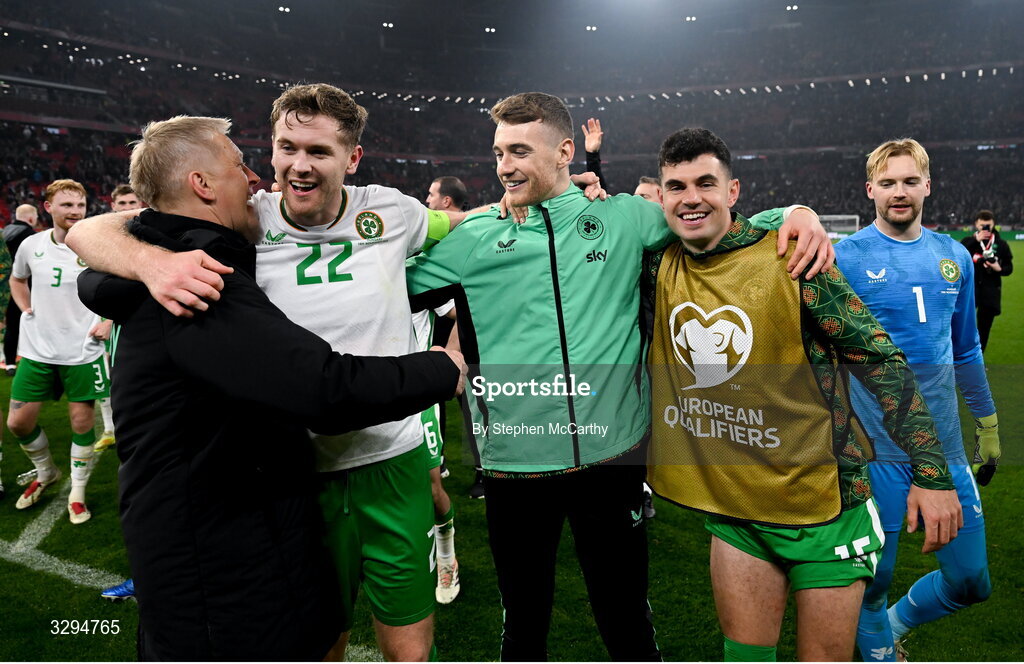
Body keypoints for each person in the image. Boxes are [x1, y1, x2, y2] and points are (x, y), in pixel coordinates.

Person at [405, 92, 833, 661]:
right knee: (523, 627)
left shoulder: (624, 218)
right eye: (498, 152)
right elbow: (384, 288)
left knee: (626, 618)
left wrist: (794, 213)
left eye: (518, 150)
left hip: (612, 461)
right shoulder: (476, 239)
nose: (504, 165)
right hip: (515, 465)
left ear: (563, 151)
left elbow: (708, 219)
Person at [67, 83, 472, 662]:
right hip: (302, 471)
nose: (294, 166)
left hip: (393, 457)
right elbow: (92, 231)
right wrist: (151, 261)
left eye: (317, 151)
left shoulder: (389, 209)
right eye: (285, 148)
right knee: (316, 640)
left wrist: (536, 197)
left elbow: (465, 227)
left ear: (352, 159)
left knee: (408, 649)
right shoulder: (247, 223)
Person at [645, 128, 961, 662]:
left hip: (824, 505)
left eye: (706, 183)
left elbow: (881, 362)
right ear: (661, 195)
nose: (691, 198)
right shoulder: (658, 264)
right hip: (737, 510)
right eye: (676, 187)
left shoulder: (793, 258)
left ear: (734, 190)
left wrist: (931, 475)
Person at [835, 139, 1000, 661]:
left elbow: (966, 347)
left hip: (946, 451)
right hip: (876, 454)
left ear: (927, 185)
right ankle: (881, 652)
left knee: (972, 580)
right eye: (887, 183)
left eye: (909, 181)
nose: (899, 192)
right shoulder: (844, 258)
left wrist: (988, 420)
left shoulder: (954, 257)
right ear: (870, 190)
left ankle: (893, 625)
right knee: (871, 582)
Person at [7, 180, 110, 525]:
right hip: (37, 348)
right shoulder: (30, 245)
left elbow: (117, 284)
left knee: (81, 422)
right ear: (48, 206)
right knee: (19, 422)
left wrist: (108, 319)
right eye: (66, 205)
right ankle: (45, 470)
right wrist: (25, 309)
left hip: (82, 349)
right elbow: (17, 280)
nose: (75, 212)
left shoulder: (95, 245)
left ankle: (77, 494)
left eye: (80, 206)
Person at [93, 184, 145, 454]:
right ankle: (115, 430)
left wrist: (112, 320)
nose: (128, 208)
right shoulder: (104, 241)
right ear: (113, 206)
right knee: (115, 380)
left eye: (132, 202)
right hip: (112, 324)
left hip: (137, 324)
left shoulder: (149, 236)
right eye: (122, 203)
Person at [960, 210, 1013, 352]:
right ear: (976, 224)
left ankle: (978, 361)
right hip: (970, 291)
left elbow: (1009, 268)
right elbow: (958, 257)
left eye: (988, 226)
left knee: (984, 329)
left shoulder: (1001, 244)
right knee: (963, 326)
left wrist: (999, 268)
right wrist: (975, 241)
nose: (985, 229)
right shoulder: (968, 242)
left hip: (990, 293)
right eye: (982, 225)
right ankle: (960, 358)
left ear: (993, 224)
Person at [2, 203, 38, 376]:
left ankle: (9, 363)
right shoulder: (32, 237)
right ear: (31, 218)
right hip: (24, 287)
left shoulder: (4, 233)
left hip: (5, 289)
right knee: (31, 323)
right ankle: (33, 359)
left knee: (11, 326)